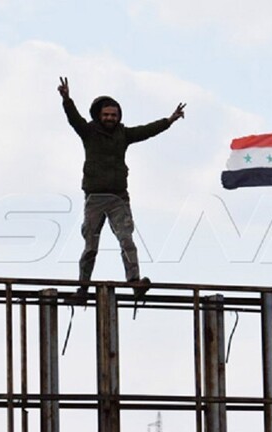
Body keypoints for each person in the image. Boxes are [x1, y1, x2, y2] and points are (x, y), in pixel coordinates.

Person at [57, 77, 186, 302]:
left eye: (114, 115)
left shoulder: (123, 134)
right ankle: (83, 288)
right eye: (106, 115)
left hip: (118, 197)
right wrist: (67, 99)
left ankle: (134, 281)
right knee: (90, 246)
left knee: (127, 240)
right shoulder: (89, 132)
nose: (110, 118)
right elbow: (74, 119)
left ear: (119, 116)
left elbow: (146, 131)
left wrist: (169, 120)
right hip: (95, 197)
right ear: (98, 115)